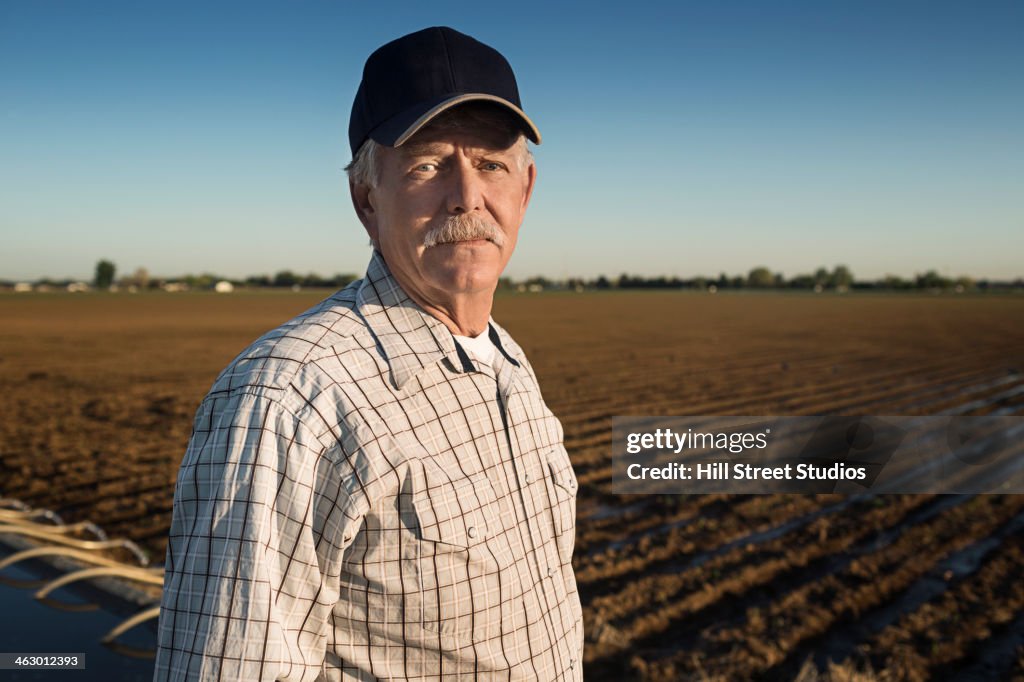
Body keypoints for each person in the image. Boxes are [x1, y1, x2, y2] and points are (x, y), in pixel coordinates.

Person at [154, 26, 583, 681]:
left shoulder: (508, 364)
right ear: (366, 200)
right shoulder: (290, 401)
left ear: (524, 191)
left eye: (491, 164)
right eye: (428, 164)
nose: (467, 195)